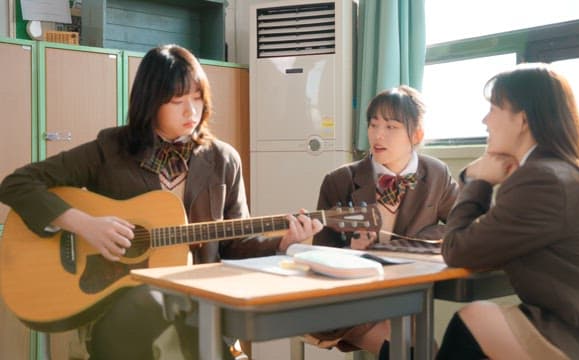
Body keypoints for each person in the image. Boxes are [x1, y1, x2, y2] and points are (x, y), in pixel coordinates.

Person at [0, 44, 322, 360]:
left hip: (199, 304)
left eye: (197, 98)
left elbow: (235, 245)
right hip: (115, 303)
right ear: (150, 103)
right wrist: (85, 224)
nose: (191, 112)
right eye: (177, 101)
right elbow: (16, 184)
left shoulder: (223, 160)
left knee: (190, 306)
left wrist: (283, 243)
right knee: (158, 301)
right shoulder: (110, 149)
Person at [438, 63, 579, 359]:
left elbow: (457, 250)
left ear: (522, 120)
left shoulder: (543, 179)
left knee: (476, 318)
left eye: (493, 108)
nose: (485, 120)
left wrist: (478, 181)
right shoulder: (568, 171)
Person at [306, 85, 460, 358]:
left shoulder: (436, 173)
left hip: (405, 294)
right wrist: (353, 251)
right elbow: (321, 254)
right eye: (373, 124)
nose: (378, 135)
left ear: (417, 135)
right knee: (410, 352)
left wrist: (408, 242)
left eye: (391, 126)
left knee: (425, 350)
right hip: (350, 299)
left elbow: (460, 226)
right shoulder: (339, 180)